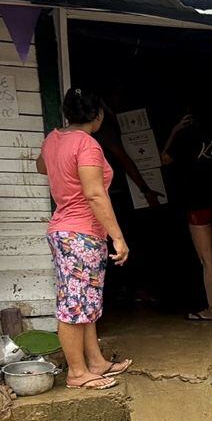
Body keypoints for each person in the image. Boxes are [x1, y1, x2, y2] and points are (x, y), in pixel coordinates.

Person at [37, 88, 134, 389]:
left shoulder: (54, 139)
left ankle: (96, 362)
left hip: (64, 229)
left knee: (85, 300)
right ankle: (77, 373)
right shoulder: (88, 145)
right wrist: (118, 237)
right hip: (80, 233)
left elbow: (42, 166)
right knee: (73, 305)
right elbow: (94, 194)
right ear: (98, 115)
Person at [163, 107, 212, 322]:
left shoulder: (188, 136)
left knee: (207, 260)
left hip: (199, 202)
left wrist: (174, 131)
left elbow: (164, 159)